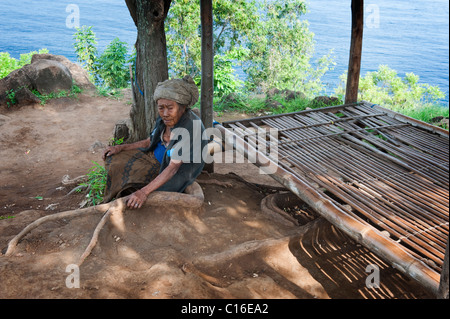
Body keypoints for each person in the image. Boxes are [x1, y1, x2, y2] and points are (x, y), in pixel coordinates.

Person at [102, 76, 207, 210]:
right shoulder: (164, 119)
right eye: (161, 108)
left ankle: (133, 194)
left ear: (183, 107)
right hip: (156, 157)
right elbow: (149, 142)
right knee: (115, 161)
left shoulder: (191, 128)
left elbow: (173, 168)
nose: (165, 113)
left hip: (177, 170)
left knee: (152, 198)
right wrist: (120, 147)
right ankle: (120, 196)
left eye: (170, 108)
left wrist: (143, 193)